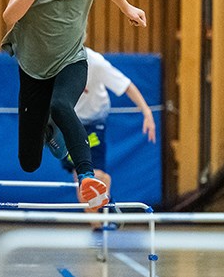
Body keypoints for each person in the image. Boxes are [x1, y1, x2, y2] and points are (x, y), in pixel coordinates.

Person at [1, 0, 147, 210]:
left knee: (61, 104)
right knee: (29, 161)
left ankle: (86, 176)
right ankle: (49, 131)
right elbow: (9, 16)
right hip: (33, 68)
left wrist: (127, 7)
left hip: (72, 59)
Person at [46, 46, 156, 227]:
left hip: (94, 120)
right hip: (68, 121)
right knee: (80, 181)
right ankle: (100, 223)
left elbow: (126, 85)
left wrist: (147, 113)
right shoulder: (51, 62)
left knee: (91, 176)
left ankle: (103, 217)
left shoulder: (95, 63)